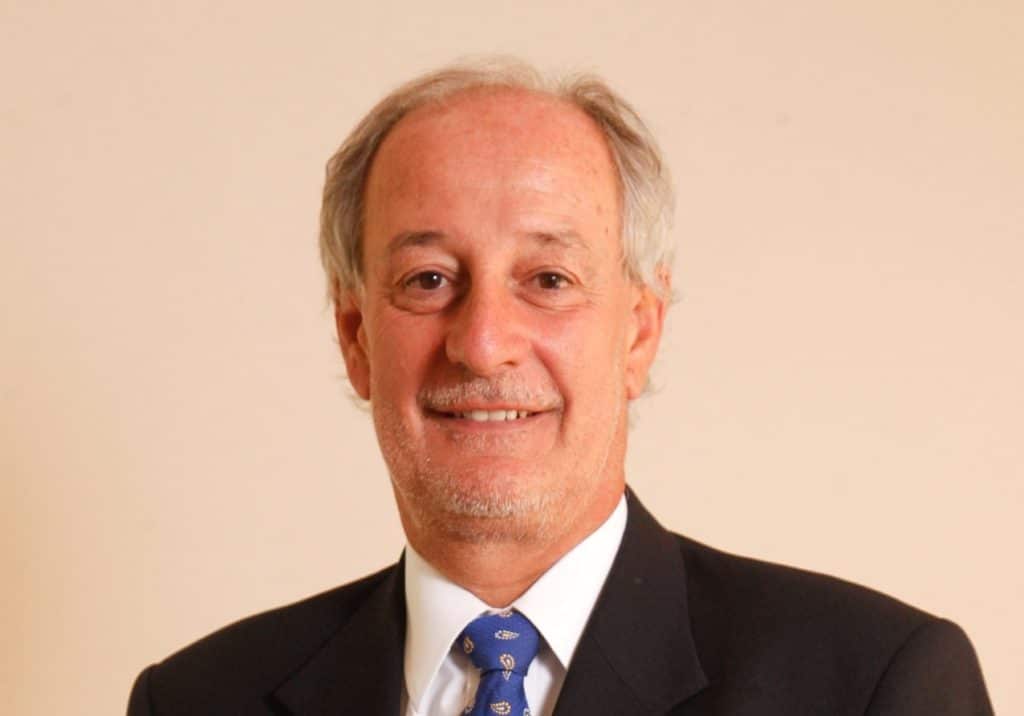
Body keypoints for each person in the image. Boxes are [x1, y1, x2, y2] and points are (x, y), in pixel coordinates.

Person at [128, 59, 993, 715]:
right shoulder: (197, 700)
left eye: (548, 279)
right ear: (356, 337)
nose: (483, 345)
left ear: (639, 332)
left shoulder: (871, 685)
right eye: (429, 280)